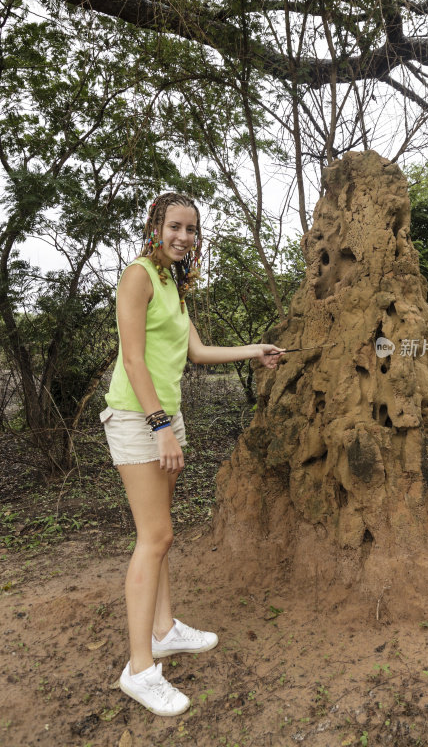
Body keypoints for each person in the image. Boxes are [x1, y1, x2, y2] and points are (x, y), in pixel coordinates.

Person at [100, 192, 285, 716]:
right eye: (174, 227)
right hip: (139, 420)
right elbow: (133, 359)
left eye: (191, 230)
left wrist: (255, 351)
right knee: (154, 537)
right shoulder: (138, 276)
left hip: (163, 417)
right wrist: (160, 425)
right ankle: (139, 670)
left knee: (161, 535)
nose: (183, 237)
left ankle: (164, 630)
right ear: (155, 226)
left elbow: (197, 353)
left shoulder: (174, 283)